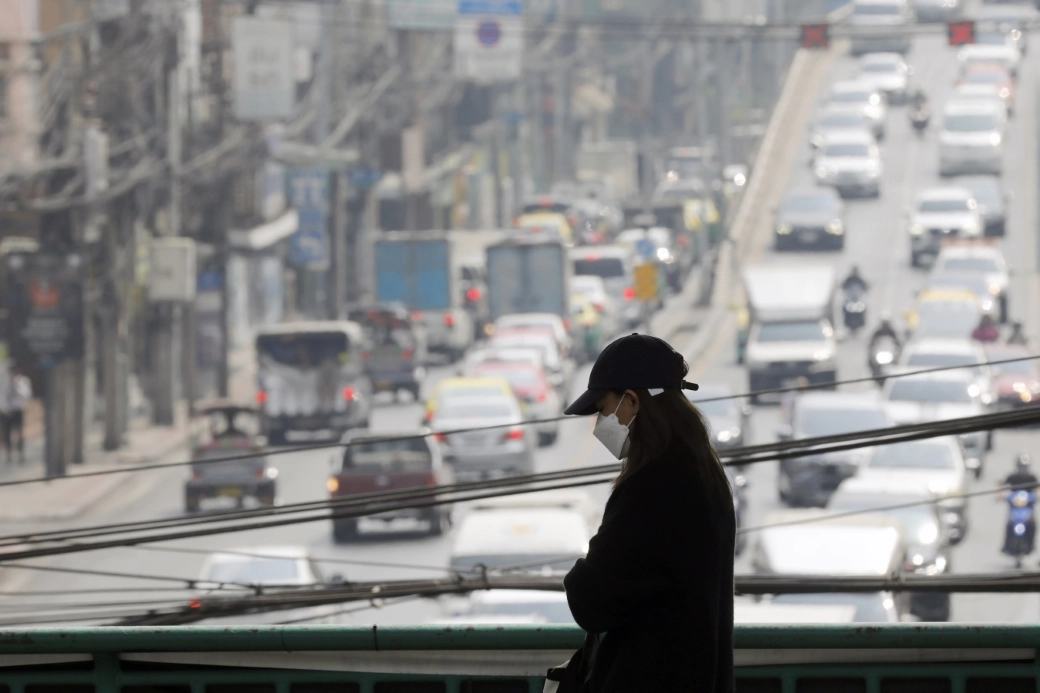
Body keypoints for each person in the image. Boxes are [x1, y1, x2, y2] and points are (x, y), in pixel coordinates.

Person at [560, 334, 734, 693]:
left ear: (633, 401)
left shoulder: (653, 485)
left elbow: (592, 601)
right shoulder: (702, 469)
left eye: (603, 409)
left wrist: (580, 572)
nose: (600, 423)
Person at [2, 368, 31, 464]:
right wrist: (4, 409)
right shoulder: (4, 381)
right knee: (7, 434)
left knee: (19, 433)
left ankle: (20, 454)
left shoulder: (23, 381)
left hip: (18, 410)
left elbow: (26, 396)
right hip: (6, 411)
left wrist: (16, 387)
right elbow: (2, 396)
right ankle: (9, 454)